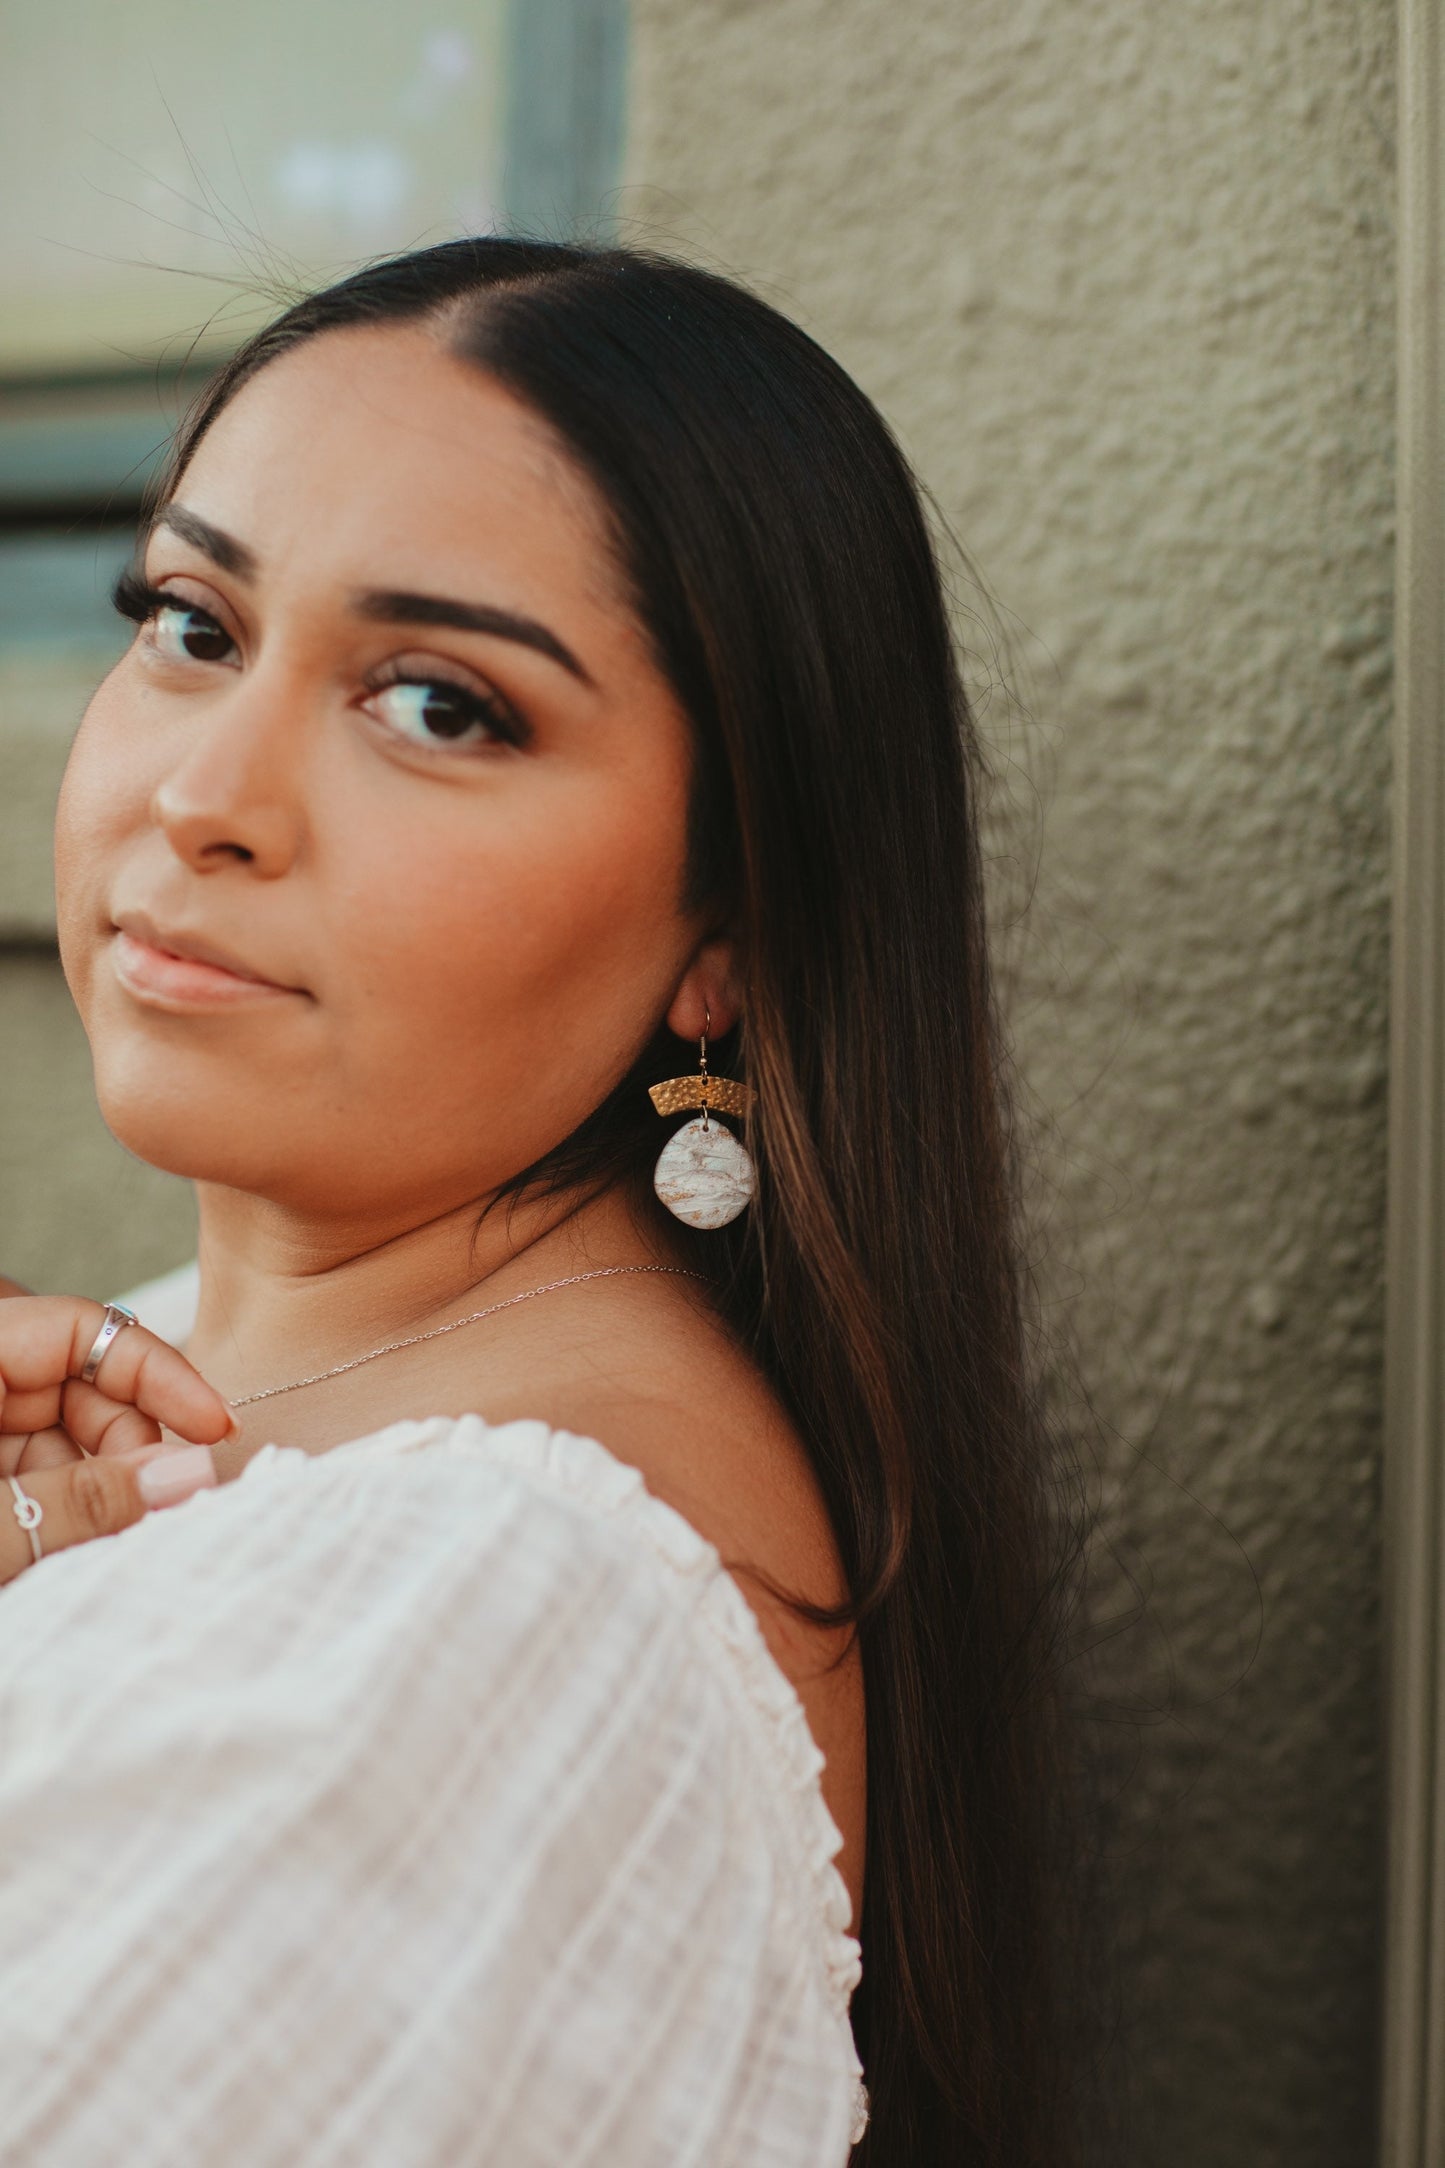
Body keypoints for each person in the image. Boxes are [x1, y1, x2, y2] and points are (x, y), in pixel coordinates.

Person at [0, 239, 1087, 2165]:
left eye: (437, 706)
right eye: (192, 623)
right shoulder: (234, 1393)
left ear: (728, 932)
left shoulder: (485, 1603)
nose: (208, 795)